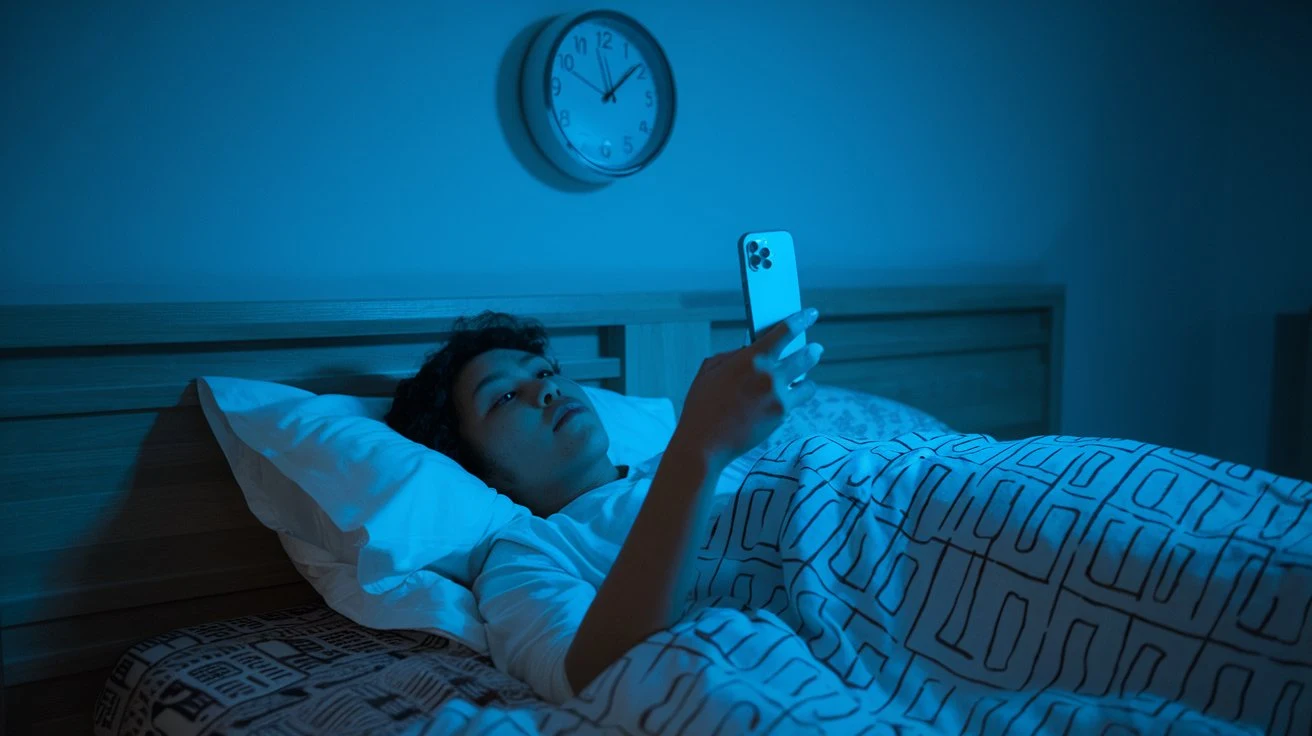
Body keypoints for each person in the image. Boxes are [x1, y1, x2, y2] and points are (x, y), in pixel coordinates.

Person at [386, 307, 825, 702]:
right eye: (503, 397)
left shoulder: (708, 454)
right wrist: (697, 451)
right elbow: (590, 680)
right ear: (472, 465)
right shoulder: (529, 555)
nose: (546, 390)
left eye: (542, 373)